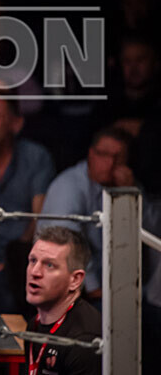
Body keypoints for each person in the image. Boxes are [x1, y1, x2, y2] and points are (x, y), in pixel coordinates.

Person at [0, 90, 54, 315]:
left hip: (20, 256)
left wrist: (16, 256)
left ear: (16, 123)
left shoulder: (35, 157)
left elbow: (38, 217)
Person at [40, 126, 136, 305]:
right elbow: (66, 243)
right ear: (91, 154)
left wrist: (128, 196)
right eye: (104, 155)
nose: (110, 164)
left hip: (113, 281)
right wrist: (94, 288)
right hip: (70, 284)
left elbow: (147, 231)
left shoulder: (122, 184)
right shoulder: (69, 187)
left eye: (118, 158)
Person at [25, 226, 101, 375]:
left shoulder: (84, 341)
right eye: (33, 260)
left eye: (49, 265)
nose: (35, 272)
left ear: (75, 280)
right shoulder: (34, 324)